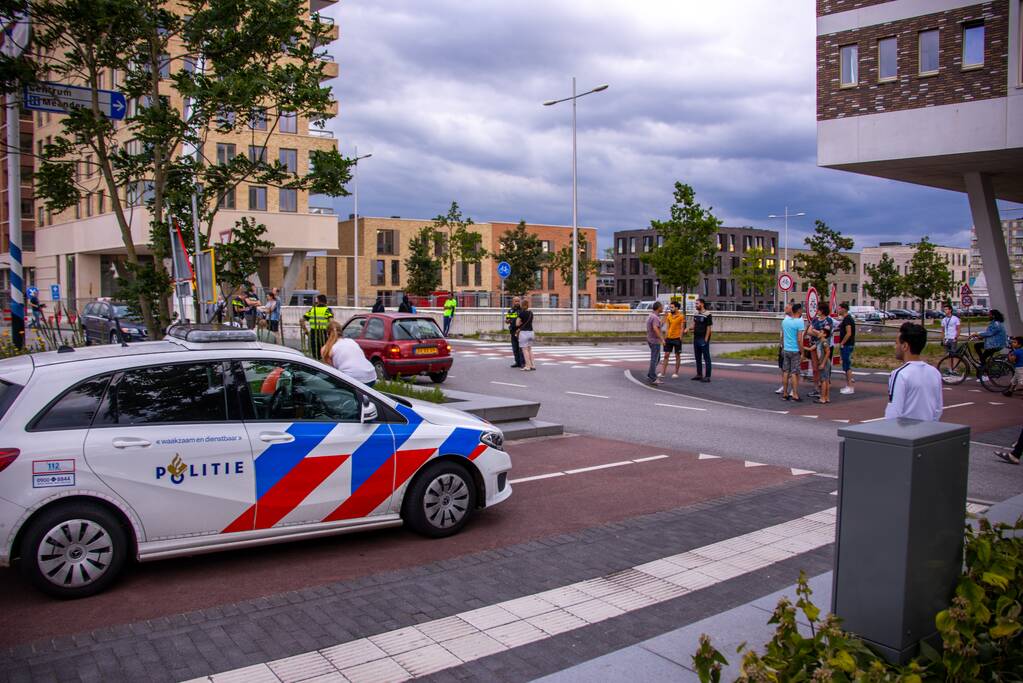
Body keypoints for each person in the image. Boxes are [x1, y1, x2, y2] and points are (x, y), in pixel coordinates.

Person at [884, 322, 942, 421]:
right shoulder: (934, 372)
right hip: (928, 430)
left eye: (896, 343)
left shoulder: (899, 374)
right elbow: (938, 409)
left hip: (905, 433)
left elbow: (894, 411)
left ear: (905, 346)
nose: (895, 347)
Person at [321, 320, 377, 387]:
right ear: (341, 332)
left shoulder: (326, 348)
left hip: (353, 378)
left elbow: (331, 372)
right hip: (371, 376)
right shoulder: (351, 341)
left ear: (327, 334)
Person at [781, 303, 806, 402]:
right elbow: (800, 339)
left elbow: (782, 337)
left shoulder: (784, 321)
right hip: (795, 350)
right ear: (798, 310)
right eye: (801, 309)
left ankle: (785, 393)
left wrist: (783, 346)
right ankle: (795, 394)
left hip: (786, 349)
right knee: (794, 373)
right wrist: (803, 352)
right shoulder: (799, 323)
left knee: (786, 372)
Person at [301, 294, 333, 358]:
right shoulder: (327, 310)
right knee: (324, 354)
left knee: (315, 355)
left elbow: (301, 321)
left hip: (313, 334)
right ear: (325, 301)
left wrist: (306, 331)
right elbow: (331, 322)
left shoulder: (312, 310)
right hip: (323, 334)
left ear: (318, 301)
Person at [688, 298, 712, 382]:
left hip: (703, 339)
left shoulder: (707, 314)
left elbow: (709, 328)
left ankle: (707, 376)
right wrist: (688, 328)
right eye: (695, 304)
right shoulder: (696, 314)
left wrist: (706, 340)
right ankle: (699, 374)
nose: (695, 305)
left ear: (702, 304)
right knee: (697, 357)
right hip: (696, 338)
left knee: (706, 358)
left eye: (697, 304)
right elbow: (694, 325)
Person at [659, 301, 685, 379]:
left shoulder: (681, 316)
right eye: (670, 307)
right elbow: (666, 326)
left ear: (677, 308)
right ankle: (663, 372)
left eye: (672, 307)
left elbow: (682, 327)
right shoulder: (669, 315)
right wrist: (665, 337)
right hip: (669, 338)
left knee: (677, 355)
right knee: (666, 355)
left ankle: (676, 373)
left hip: (677, 338)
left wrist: (680, 337)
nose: (671, 308)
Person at [814, 304, 834, 405]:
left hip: (824, 362)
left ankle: (822, 397)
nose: (819, 333)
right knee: (825, 379)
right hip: (824, 361)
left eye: (821, 332)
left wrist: (822, 363)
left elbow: (828, 352)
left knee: (824, 380)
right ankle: (827, 397)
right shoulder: (821, 341)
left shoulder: (824, 342)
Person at [836, 302, 856, 395]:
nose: (838, 310)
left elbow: (849, 333)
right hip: (848, 345)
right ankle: (848, 385)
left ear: (844, 309)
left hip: (847, 345)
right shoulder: (846, 319)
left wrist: (842, 343)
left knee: (847, 366)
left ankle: (850, 386)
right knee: (845, 365)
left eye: (839, 308)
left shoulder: (847, 319)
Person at [646, 301, 664, 385]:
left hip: (650, 339)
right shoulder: (655, 317)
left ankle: (650, 373)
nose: (663, 308)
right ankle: (653, 377)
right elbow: (656, 328)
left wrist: (665, 319)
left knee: (657, 358)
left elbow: (659, 325)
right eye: (662, 307)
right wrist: (662, 339)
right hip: (655, 341)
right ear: (658, 308)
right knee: (655, 359)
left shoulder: (651, 315)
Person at [776, 303, 793, 394]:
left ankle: (793, 389)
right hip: (783, 346)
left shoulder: (795, 320)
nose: (785, 308)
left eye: (787, 307)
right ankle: (784, 386)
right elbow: (782, 334)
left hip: (790, 347)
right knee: (783, 367)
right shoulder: (785, 319)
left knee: (792, 369)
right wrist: (780, 345)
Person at [517, 298, 535, 371]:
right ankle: (533, 365)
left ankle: (527, 366)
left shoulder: (521, 313)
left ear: (522, 305)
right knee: (530, 349)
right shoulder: (531, 313)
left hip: (524, 333)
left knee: (524, 350)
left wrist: (521, 323)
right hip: (531, 332)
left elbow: (517, 324)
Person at [506, 296, 524, 368]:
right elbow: (507, 320)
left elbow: (523, 320)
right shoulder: (510, 311)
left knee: (521, 348)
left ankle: (522, 362)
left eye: (518, 301)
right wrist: (507, 321)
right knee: (515, 347)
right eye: (515, 301)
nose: (517, 302)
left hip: (520, 331)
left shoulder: (522, 310)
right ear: (513, 302)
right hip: (513, 331)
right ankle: (517, 362)